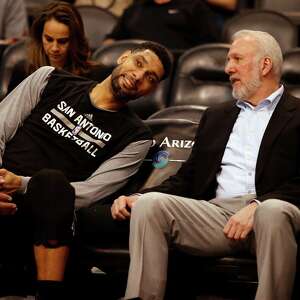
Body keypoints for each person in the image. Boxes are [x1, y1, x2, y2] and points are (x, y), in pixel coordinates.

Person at [112, 30, 300, 300]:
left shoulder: (297, 115)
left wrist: (257, 206)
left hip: (275, 216)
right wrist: (138, 196)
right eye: (227, 60)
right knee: (149, 205)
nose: (228, 68)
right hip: (217, 217)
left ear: (265, 65)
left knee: (271, 212)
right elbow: (188, 177)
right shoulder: (217, 116)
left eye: (236, 59)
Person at [0, 41, 171, 300]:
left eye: (150, 78)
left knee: (52, 182)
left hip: (50, 209)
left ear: (151, 90)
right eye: (138, 64)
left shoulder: (137, 137)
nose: (138, 77)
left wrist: (22, 184)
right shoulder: (48, 79)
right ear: (123, 57)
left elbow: (90, 192)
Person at [8, 1, 108, 93]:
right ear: (40, 36)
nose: (54, 48)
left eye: (62, 41)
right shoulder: (23, 70)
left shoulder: (95, 75)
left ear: (75, 41)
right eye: (49, 39)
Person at [103, 0, 220, 50]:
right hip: (133, 65)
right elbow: (113, 39)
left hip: (175, 68)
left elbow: (210, 44)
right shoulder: (136, 7)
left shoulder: (193, 5)